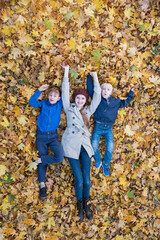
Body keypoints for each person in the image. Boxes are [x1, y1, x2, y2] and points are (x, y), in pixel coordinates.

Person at [61, 63, 101, 222]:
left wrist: (95, 78)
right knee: (78, 179)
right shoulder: (68, 108)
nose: (79, 100)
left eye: (82, 98)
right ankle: (79, 205)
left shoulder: (87, 111)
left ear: (85, 101)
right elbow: (64, 92)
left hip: (84, 146)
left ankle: (86, 203)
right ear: (74, 99)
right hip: (71, 146)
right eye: (77, 97)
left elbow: (97, 98)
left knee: (86, 178)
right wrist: (66, 73)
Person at [87, 74, 135, 176]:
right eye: (103, 89)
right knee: (93, 144)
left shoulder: (116, 102)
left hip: (108, 128)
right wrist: (89, 77)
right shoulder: (98, 99)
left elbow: (125, 102)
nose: (105, 91)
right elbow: (90, 89)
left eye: (108, 89)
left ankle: (105, 164)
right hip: (98, 126)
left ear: (111, 92)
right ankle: (98, 161)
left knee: (110, 146)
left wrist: (131, 93)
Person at [29, 84, 64, 200]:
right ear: (48, 96)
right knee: (43, 159)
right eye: (51, 95)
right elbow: (32, 102)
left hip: (53, 136)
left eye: (55, 96)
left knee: (59, 157)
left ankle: (40, 160)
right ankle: (42, 185)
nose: (52, 97)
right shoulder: (43, 103)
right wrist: (39, 90)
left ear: (59, 98)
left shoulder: (59, 105)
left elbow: (65, 90)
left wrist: (66, 73)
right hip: (42, 136)